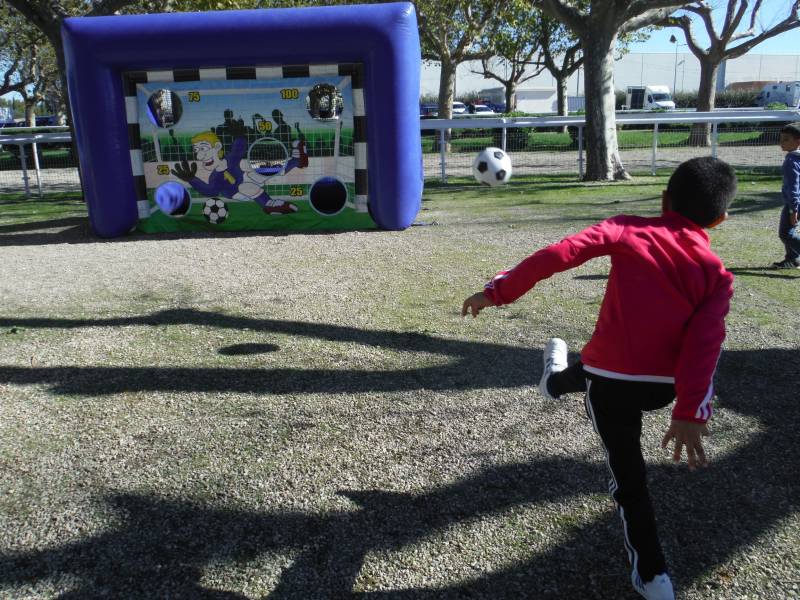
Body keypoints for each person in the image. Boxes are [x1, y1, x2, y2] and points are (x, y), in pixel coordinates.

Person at [461, 157, 737, 600]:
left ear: (664, 200)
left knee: (628, 476)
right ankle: (553, 377)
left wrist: (497, 292)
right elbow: (705, 345)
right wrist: (689, 411)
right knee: (583, 376)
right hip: (658, 388)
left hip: (609, 380)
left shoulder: (627, 227)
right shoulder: (718, 277)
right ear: (721, 219)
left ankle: (652, 575)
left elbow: (558, 254)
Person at [772, 122, 800, 269]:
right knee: (790, 231)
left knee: (786, 234)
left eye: (786, 139)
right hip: (796, 203)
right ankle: (792, 259)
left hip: (794, 203)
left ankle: (793, 257)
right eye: (781, 139)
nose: (781, 143)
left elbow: (793, 187)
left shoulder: (791, 160)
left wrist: (793, 209)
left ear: (798, 141)